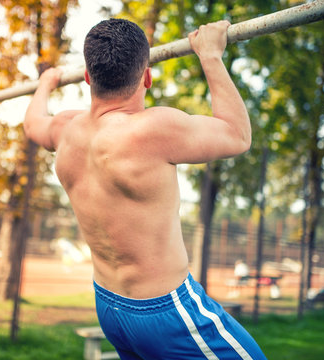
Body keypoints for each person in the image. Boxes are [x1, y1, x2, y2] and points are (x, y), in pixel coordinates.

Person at [24, 18, 266, 360]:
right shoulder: (152, 130)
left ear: (89, 77)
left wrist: (46, 83)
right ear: (147, 77)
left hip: (109, 307)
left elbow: (33, 123)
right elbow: (237, 135)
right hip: (167, 313)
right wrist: (210, 55)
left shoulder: (65, 129)